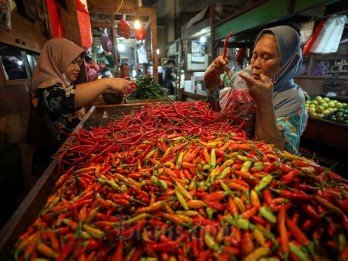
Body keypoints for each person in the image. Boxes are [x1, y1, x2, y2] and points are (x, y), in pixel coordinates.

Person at [29, 38, 133, 177]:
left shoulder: (63, 85)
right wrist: (106, 83)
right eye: (72, 62)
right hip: (55, 168)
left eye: (78, 63)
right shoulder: (48, 91)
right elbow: (66, 99)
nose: (78, 67)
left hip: (72, 159)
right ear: (57, 60)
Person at [204, 25, 308, 154]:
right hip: (226, 151)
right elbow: (213, 94)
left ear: (289, 63)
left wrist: (264, 103)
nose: (256, 65)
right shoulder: (244, 79)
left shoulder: (292, 99)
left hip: (255, 166)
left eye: (266, 58)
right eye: (254, 56)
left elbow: (275, 154)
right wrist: (212, 73)